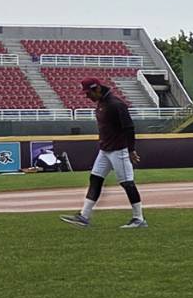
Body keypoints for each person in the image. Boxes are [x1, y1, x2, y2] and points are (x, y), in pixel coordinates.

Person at [60, 79, 147, 228]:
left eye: (89, 93)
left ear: (97, 88)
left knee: (127, 183)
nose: (87, 96)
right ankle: (84, 216)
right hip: (106, 150)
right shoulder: (102, 102)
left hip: (119, 150)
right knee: (95, 179)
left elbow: (129, 128)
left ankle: (138, 218)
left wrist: (131, 150)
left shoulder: (116, 104)